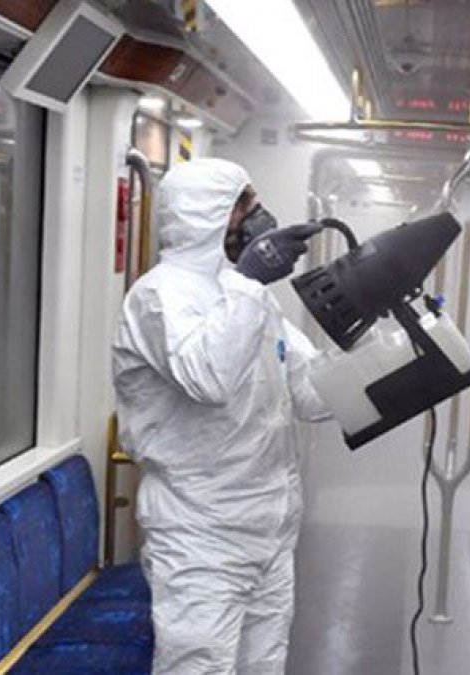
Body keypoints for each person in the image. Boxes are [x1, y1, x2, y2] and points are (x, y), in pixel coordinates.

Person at [112, 158, 331, 673]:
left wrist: (391, 362)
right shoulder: (159, 297)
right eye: (245, 203)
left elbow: (309, 393)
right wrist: (250, 282)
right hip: (201, 534)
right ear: (205, 213)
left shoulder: (246, 296)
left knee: (264, 664)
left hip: (271, 530)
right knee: (199, 666)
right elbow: (209, 377)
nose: (259, 215)